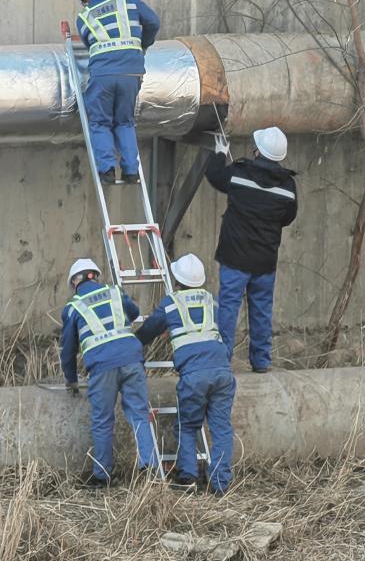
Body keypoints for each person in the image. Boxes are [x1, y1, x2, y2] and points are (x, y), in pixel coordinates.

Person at [135, 253, 235, 496]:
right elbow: (225, 329)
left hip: (194, 375)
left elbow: (150, 329)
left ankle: (187, 477)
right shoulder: (212, 301)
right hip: (222, 371)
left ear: (176, 279)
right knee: (222, 429)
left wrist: (134, 343)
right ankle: (220, 484)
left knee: (187, 426)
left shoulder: (171, 303)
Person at [60, 257, 159, 487]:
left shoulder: (73, 307)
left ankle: (102, 475)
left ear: (75, 282)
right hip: (132, 359)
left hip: (102, 367)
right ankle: (150, 468)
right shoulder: (114, 291)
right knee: (139, 414)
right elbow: (133, 312)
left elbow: (68, 350)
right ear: (95, 275)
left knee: (103, 421)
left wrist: (71, 380)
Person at [205, 127, 298, 373]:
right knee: (261, 311)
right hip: (265, 260)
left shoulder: (239, 174)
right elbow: (288, 218)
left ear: (258, 151)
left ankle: (222, 360)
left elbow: (214, 176)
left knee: (228, 308)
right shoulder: (288, 187)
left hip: (235, 257)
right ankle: (261, 361)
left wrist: (219, 153)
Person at [74, 0, 161, 184]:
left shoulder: (84, 17)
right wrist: (142, 45)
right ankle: (131, 172)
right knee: (125, 121)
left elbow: (89, 46)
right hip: (131, 73)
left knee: (100, 122)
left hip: (103, 75)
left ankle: (107, 171)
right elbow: (154, 22)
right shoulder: (127, 0)